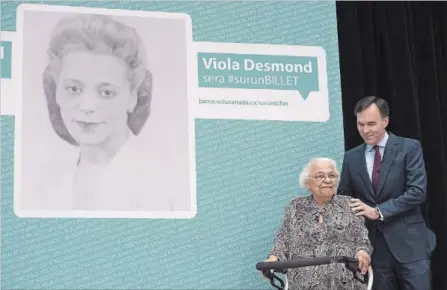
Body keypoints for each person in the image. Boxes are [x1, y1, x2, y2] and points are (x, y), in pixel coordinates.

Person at [28, 13, 178, 211]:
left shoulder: (161, 182)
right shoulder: (48, 186)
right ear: (56, 89)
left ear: (133, 96)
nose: (87, 106)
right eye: (73, 89)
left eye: (106, 92)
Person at [338, 96, 437, 290]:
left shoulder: (409, 147)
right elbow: (345, 197)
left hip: (411, 245)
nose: (365, 130)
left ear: (385, 121)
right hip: (374, 248)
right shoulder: (351, 157)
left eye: (371, 124)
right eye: (360, 124)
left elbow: (417, 192)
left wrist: (377, 211)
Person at [263, 157, 373, 290]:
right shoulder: (295, 207)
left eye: (331, 175)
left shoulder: (350, 205)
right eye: (320, 176)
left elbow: (361, 238)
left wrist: (362, 253)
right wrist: (273, 259)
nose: (327, 180)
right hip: (302, 284)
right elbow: (283, 238)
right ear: (308, 182)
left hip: (344, 283)